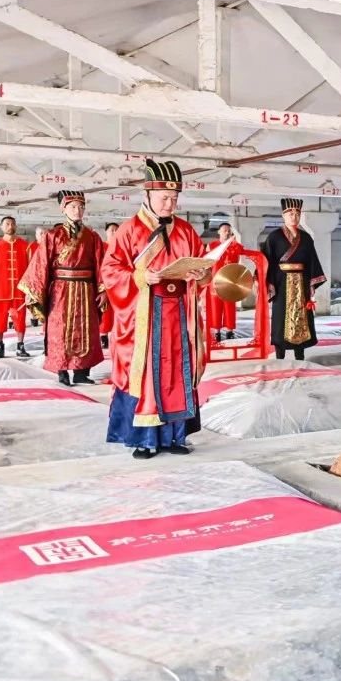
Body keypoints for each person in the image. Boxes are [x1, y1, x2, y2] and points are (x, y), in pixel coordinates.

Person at [102, 159, 209, 459]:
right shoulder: (129, 230)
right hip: (146, 314)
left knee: (177, 371)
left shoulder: (185, 230)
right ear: (147, 194)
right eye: (164, 198)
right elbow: (110, 271)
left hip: (179, 313)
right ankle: (144, 439)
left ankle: (175, 436)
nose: (170, 204)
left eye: (174, 198)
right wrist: (140, 277)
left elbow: (202, 263)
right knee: (149, 373)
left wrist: (201, 273)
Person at [20, 191, 107, 386]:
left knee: (86, 329)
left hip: (86, 289)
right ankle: (62, 371)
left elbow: (101, 264)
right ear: (63, 209)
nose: (78, 210)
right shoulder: (53, 235)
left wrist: (103, 290)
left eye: (81, 207)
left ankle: (82, 372)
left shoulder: (93, 237)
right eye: (73, 207)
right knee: (60, 329)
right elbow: (41, 264)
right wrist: (34, 291)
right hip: (61, 290)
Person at [261, 198, 326, 360]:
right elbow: (266, 260)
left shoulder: (306, 237)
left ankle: (300, 354)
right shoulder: (274, 237)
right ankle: (280, 355)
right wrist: (265, 281)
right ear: (283, 216)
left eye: (297, 214)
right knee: (280, 318)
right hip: (281, 282)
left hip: (302, 283)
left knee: (301, 317)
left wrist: (311, 283)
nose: (294, 217)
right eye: (290, 213)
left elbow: (312, 261)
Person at [0, 215, 31, 359]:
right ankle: (0, 347)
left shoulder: (24, 245)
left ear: (16, 226)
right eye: (7, 224)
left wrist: (28, 287)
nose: (10, 226)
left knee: (20, 318)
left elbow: (29, 267)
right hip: (1, 289)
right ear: (1, 227)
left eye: (12, 223)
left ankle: (20, 346)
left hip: (19, 289)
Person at [206, 221, 243, 341]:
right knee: (215, 307)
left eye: (229, 231)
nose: (227, 233)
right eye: (225, 230)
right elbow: (206, 264)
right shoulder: (211, 246)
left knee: (230, 307)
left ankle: (229, 331)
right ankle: (216, 332)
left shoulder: (236, 246)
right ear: (219, 232)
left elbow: (242, 258)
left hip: (230, 282)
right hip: (215, 282)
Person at [98, 222, 119, 348]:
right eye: (112, 230)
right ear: (106, 232)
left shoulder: (121, 246)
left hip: (118, 283)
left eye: (117, 230)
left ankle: (116, 337)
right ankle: (103, 336)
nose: (114, 232)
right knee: (105, 312)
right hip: (105, 283)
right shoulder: (101, 246)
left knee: (118, 312)